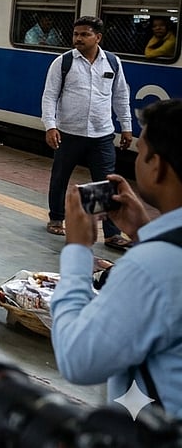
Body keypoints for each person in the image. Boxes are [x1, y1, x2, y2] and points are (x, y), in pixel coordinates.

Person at [51, 98, 182, 416]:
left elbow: (78, 359)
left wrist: (77, 250)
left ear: (158, 166)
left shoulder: (148, 269)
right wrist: (144, 232)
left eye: (140, 150)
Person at [40, 16, 133, 250]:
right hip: (69, 132)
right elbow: (50, 96)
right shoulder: (63, 62)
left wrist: (126, 126)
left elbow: (120, 96)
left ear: (98, 37)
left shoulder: (112, 62)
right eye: (76, 34)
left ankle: (111, 234)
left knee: (105, 184)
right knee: (60, 177)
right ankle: (56, 218)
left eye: (84, 34)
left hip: (102, 134)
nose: (78, 39)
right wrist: (50, 126)